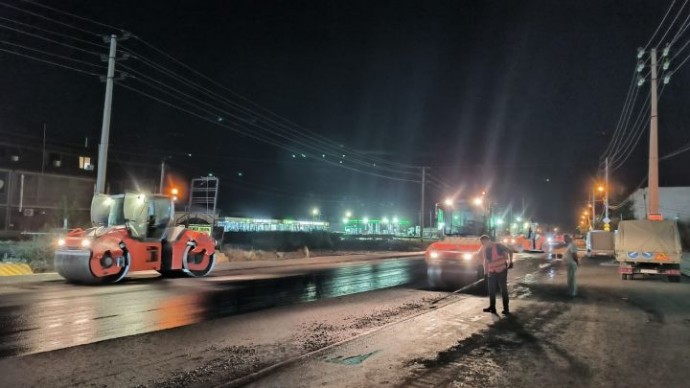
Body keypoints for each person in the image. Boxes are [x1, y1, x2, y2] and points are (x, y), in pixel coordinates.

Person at [480, 235, 513, 315]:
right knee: (491, 290)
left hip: (502, 270)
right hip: (492, 271)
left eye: (484, 242)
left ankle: (506, 309)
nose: (483, 244)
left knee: (503, 289)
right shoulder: (485, 249)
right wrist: (485, 274)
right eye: (482, 243)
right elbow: (486, 262)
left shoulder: (498, 245)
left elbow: (510, 251)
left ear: (488, 240)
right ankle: (492, 307)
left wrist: (511, 262)